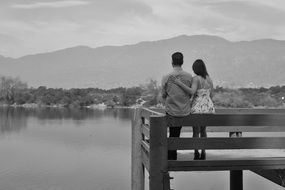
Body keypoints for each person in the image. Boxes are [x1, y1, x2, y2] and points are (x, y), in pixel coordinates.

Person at [170, 59, 215, 160]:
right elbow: (212, 95)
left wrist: (179, 83)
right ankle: (203, 152)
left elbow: (191, 91)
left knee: (196, 131)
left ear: (195, 68)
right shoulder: (209, 79)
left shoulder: (196, 79)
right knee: (203, 131)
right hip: (208, 107)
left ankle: (196, 152)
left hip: (197, 107)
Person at [161, 52, 192, 160]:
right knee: (175, 133)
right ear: (182, 62)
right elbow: (190, 93)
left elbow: (163, 95)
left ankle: (170, 157)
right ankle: (172, 155)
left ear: (172, 62)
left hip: (171, 111)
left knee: (172, 133)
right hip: (184, 111)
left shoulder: (166, 77)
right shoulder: (189, 76)